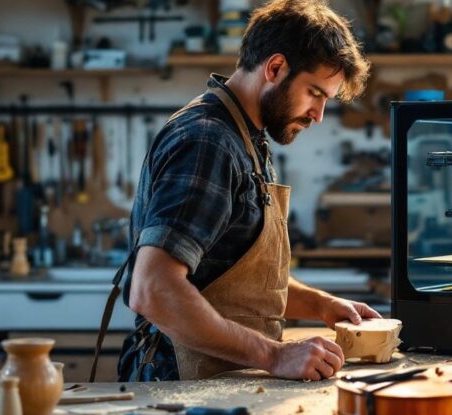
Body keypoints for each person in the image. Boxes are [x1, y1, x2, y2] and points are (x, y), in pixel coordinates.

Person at [93, 0, 377, 383]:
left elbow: (233, 281)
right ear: (275, 69)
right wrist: (275, 356)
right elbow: (153, 289)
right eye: (314, 93)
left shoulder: (246, 137)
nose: (318, 114)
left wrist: (322, 305)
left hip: (219, 382)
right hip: (178, 389)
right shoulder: (208, 142)